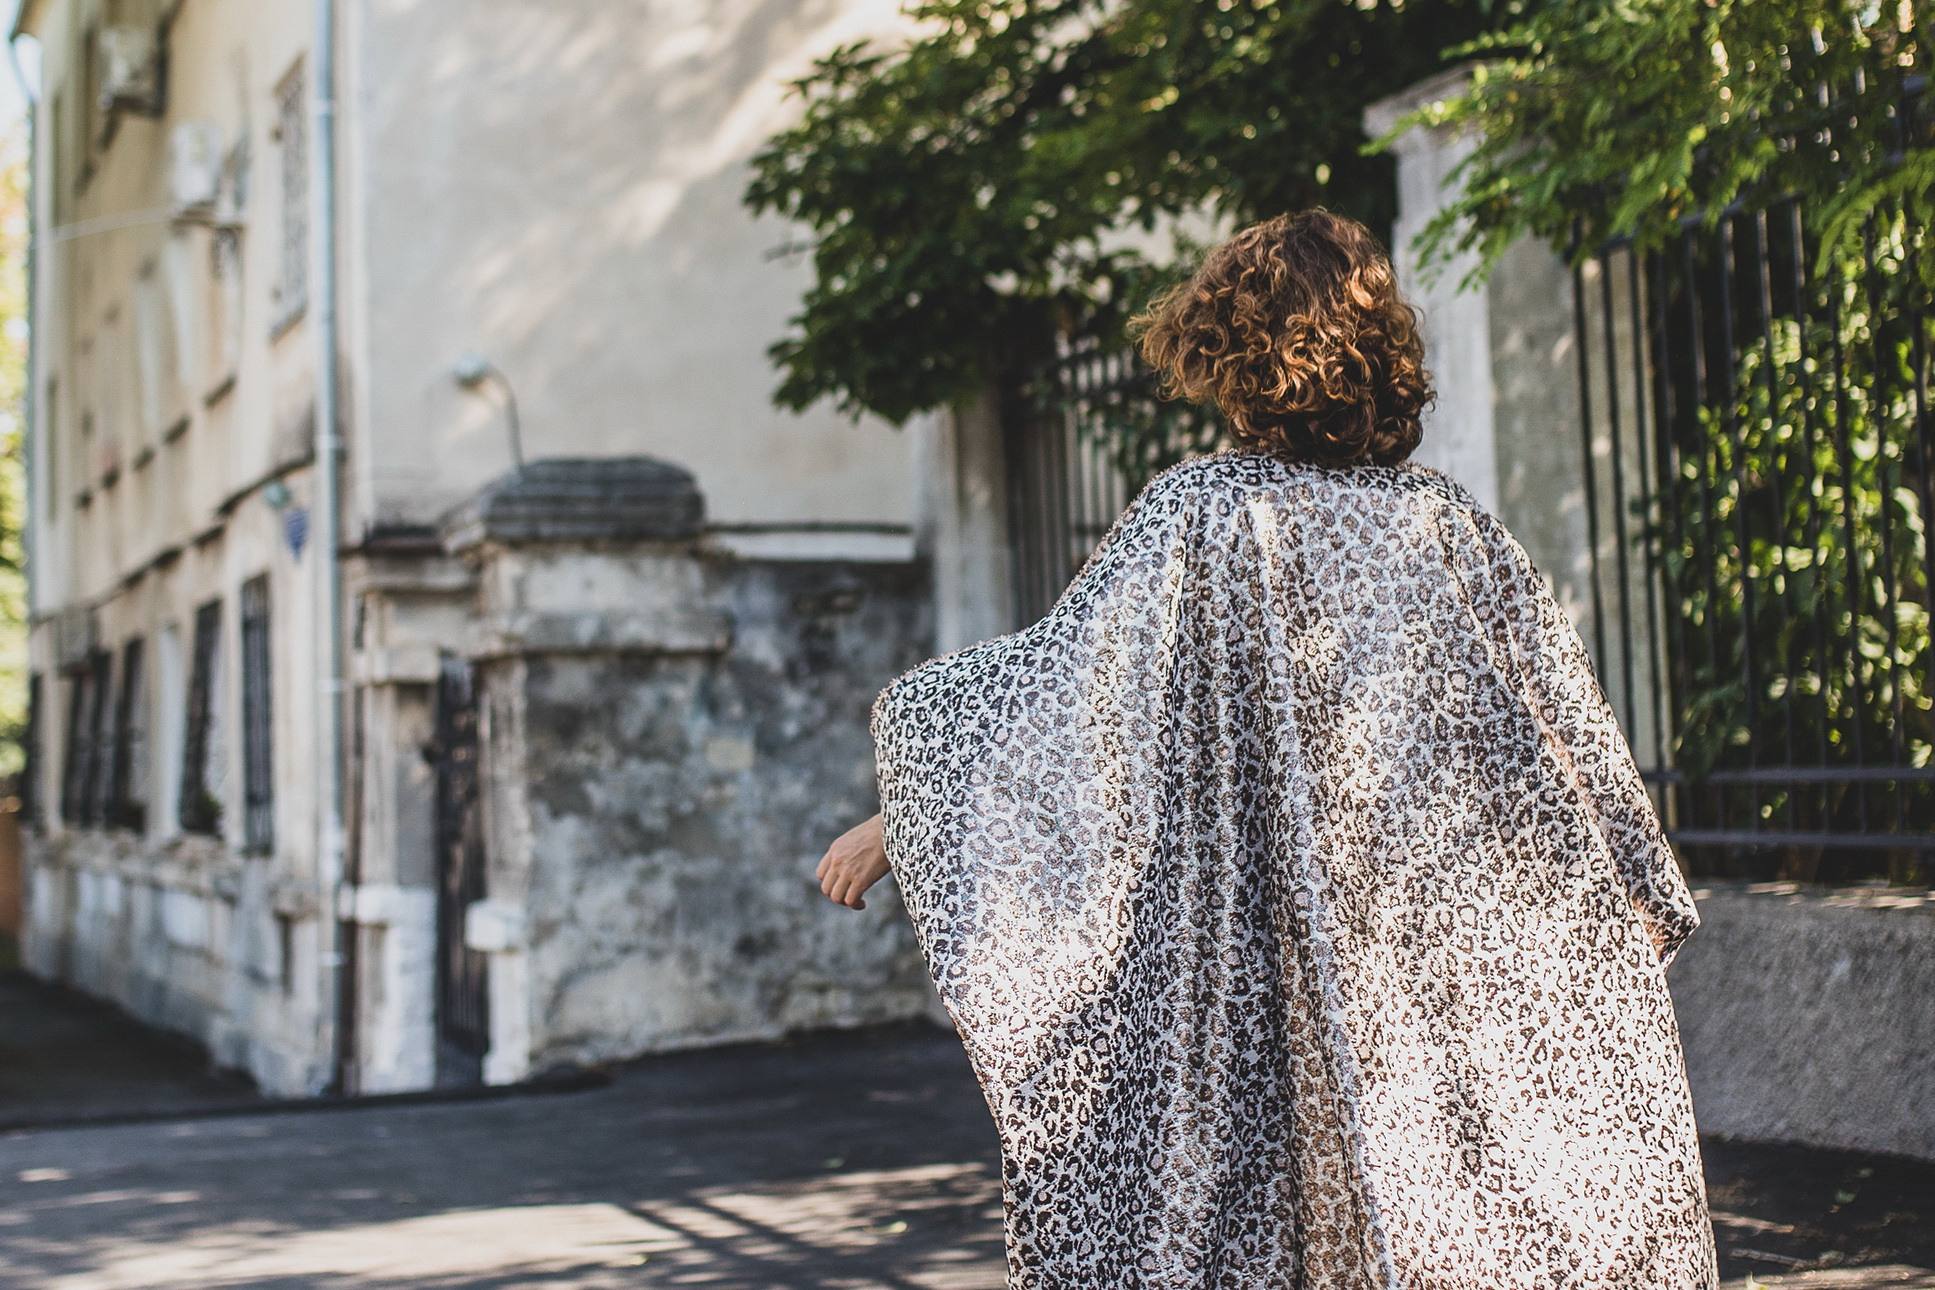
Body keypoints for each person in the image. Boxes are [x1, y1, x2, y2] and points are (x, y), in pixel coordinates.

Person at [816, 210, 1716, 1290]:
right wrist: (1618, 916)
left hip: (1280, 974)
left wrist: (906, 820)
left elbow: (1066, 711)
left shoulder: (1201, 516)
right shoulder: (1448, 525)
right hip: (1452, 967)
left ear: (1231, 353)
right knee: (1462, 1228)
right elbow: (1573, 748)